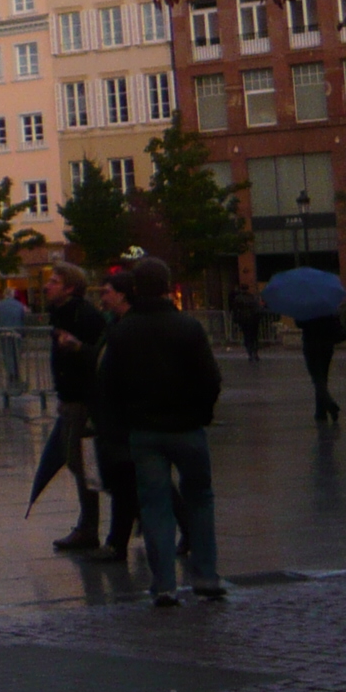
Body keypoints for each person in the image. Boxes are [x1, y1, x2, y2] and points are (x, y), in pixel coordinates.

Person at [94, 255, 224, 606]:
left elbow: (109, 386)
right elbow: (210, 378)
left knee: (154, 505)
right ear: (167, 287)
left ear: (135, 288)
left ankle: (164, 583)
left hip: (144, 429)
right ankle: (207, 576)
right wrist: (201, 412)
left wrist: (120, 426)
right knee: (200, 499)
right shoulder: (188, 327)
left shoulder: (123, 331)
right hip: (187, 427)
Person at [42, 261, 107, 553]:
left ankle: (90, 527)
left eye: (54, 281)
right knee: (76, 461)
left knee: (82, 462)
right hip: (70, 399)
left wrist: (77, 347)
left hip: (83, 401)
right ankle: (88, 524)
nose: (47, 285)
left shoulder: (83, 315)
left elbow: (101, 357)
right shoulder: (61, 314)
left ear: (70, 287)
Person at [298, 309, 346, 424]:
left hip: (311, 344)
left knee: (317, 378)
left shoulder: (306, 307)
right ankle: (320, 411)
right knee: (323, 377)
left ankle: (329, 404)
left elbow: (299, 323)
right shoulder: (329, 307)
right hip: (327, 344)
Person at [0, 287, 30, 391]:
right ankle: (17, 373)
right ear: (13, 294)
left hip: (4, 334)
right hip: (17, 333)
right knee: (17, 354)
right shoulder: (19, 305)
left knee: (7, 354)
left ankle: (11, 373)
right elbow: (24, 318)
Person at [228, 279, 263, 362]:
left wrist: (235, 320)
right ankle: (255, 353)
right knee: (254, 337)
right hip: (253, 320)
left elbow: (235, 310)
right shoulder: (252, 297)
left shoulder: (238, 299)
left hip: (244, 320)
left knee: (247, 337)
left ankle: (250, 353)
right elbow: (257, 309)